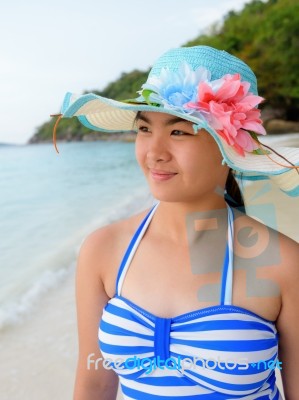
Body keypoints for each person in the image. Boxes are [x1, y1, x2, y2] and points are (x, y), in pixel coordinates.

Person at [54, 46, 299, 399]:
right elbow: (93, 384)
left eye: (179, 132)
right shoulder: (103, 250)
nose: (154, 152)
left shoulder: (283, 264)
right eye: (143, 128)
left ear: (229, 150)